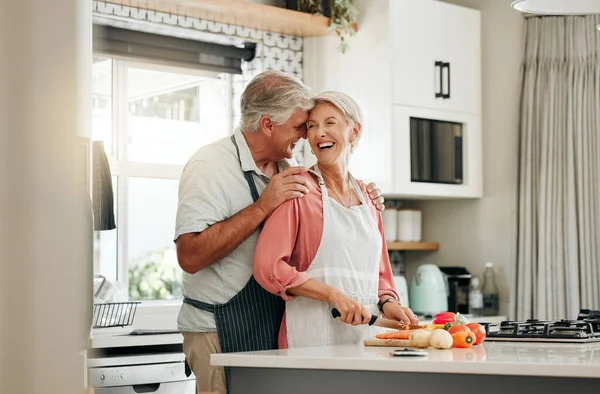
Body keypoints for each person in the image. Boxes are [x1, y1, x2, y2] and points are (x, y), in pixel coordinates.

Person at [174, 71, 386, 394]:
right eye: (302, 125)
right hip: (217, 329)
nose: (306, 135)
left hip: (267, 325)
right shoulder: (210, 166)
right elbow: (189, 256)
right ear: (268, 124)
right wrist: (263, 206)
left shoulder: (286, 172)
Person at [253, 91, 419, 349]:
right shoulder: (298, 191)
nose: (319, 133)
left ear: (354, 131)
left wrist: (389, 303)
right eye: (312, 126)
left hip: (366, 339)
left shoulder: (368, 199)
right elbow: (268, 267)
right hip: (309, 339)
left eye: (330, 123)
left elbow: (380, 273)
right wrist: (332, 295)